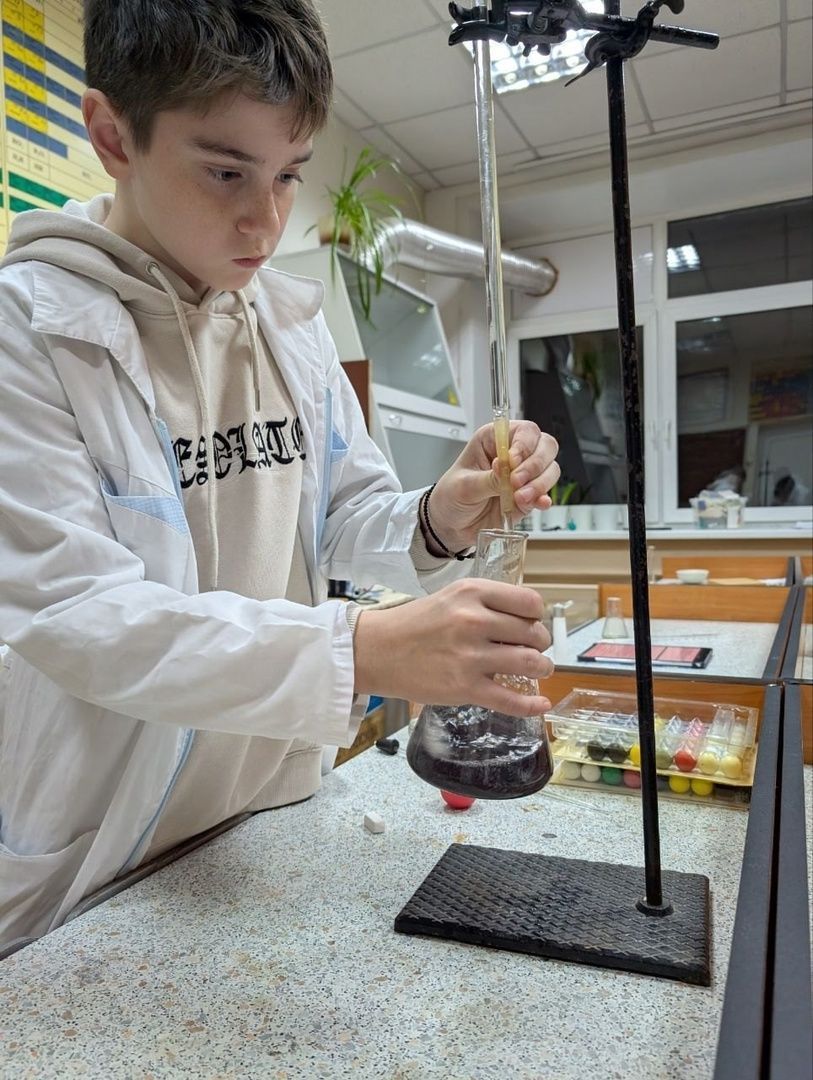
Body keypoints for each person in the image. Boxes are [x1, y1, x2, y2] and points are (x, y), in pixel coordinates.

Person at [0, 0, 559, 948]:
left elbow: (344, 512)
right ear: (112, 135)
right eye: (226, 171)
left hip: (267, 813)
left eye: (289, 174)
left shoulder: (288, 329)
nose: (263, 219)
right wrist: (360, 651)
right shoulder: (31, 331)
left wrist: (440, 513)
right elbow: (82, 618)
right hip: (105, 853)